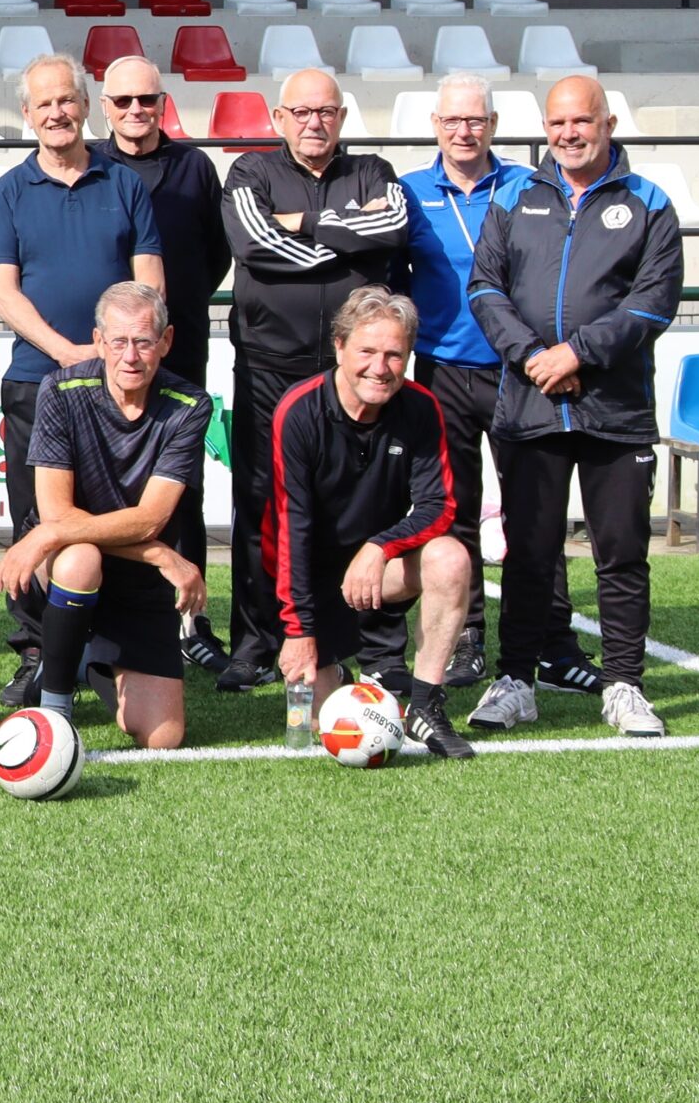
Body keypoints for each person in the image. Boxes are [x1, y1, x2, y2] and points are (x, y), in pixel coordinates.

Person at [466, 75, 683, 740]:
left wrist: (577, 355)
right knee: (529, 553)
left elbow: (651, 303)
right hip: (529, 406)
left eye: (579, 122)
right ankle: (515, 682)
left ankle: (622, 685)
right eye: (556, 123)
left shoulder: (648, 203)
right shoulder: (512, 195)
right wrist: (533, 354)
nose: (567, 134)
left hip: (613, 412)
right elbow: (483, 289)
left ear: (607, 122)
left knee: (619, 553)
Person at [0, 52, 165, 705]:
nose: (56, 113)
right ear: (26, 115)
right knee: (36, 521)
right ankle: (37, 650)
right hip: (38, 383)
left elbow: (149, 284)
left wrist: (116, 360)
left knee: (116, 519)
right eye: (43, 104)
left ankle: (110, 645)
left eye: (67, 100)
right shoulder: (8, 191)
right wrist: (66, 353)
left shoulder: (124, 184)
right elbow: (3, 293)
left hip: (118, 388)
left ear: (84, 107)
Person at [218, 66, 406, 691]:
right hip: (271, 371)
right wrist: (345, 239)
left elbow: (393, 227)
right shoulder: (251, 172)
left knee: (367, 507)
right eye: (300, 113)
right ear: (278, 120)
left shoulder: (374, 172)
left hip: (357, 378)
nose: (313, 122)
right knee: (261, 507)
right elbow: (255, 245)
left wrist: (304, 223)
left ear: (342, 118)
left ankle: (373, 645)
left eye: (324, 111)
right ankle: (255, 642)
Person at [0, 283, 212, 750]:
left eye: (143, 341)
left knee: (163, 737)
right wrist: (160, 555)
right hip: (74, 562)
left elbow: (150, 518)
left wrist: (46, 536)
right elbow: (55, 514)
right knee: (80, 558)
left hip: (137, 580)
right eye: (118, 341)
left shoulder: (190, 406)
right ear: (98, 341)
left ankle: (87, 657)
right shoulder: (60, 388)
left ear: (166, 342)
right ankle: (55, 706)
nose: (130, 356)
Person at [268, 287, 477, 760]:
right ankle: (338, 672)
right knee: (325, 724)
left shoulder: (421, 407)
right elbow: (290, 529)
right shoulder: (298, 411)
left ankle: (425, 704)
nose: (379, 368)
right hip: (313, 578)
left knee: (450, 557)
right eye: (366, 351)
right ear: (338, 347)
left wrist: (379, 546)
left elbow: (439, 506)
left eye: (394, 355)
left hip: (379, 570)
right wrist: (298, 630)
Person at [392, 73, 544, 691]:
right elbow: (392, 276)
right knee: (451, 513)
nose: (464, 131)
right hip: (442, 370)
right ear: (435, 125)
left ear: (494, 126)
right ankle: (468, 637)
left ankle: (543, 638)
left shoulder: (528, 188)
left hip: (517, 368)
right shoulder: (409, 191)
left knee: (531, 509)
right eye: (453, 121)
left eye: (475, 120)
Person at [93, 53, 234, 674]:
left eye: (145, 100)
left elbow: (217, 253)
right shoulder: (91, 168)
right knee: (102, 485)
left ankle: (192, 620)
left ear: (162, 103)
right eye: (122, 101)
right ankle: (100, 618)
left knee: (183, 487)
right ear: (105, 107)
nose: (134, 111)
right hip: (110, 361)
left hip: (179, 351)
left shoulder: (194, 167)